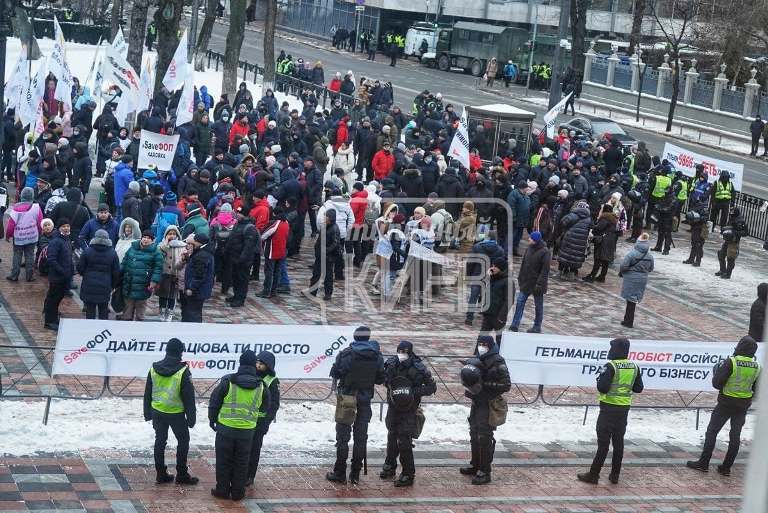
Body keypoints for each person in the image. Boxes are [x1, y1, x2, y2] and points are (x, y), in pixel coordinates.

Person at [687, 336, 760, 476]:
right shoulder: (757, 366)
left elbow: (717, 383)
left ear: (740, 346)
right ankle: (726, 467)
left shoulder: (731, 362)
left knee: (712, 432)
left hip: (725, 403)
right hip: (742, 406)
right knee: (735, 436)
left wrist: (717, 373)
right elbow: (758, 389)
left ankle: (704, 462)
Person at [577, 337, 644, 484]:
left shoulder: (611, 366)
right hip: (624, 410)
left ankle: (594, 474)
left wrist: (600, 380)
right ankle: (615, 475)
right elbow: (638, 388)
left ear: (615, 350)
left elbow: (603, 387)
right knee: (618, 442)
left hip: (608, 409)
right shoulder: (634, 366)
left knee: (603, 444)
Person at [326, 326, 385, 484]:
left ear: (354, 337)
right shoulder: (377, 355)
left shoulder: (347, 353)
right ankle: (355, 474)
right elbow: (380, 378)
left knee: (343, 438)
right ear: (368, 337)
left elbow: (337, 373)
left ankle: (339, 472)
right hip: (365, 399)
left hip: (347, 399)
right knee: (361, 438)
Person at [209, 350, 270, 501]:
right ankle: (238, 492)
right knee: (242, 462)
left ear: (240, 363)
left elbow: (214, 402)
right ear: (253, 365)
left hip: (225, 429)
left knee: (223, 460)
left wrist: (212, 419)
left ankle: (222, 490)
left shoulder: (228, 381)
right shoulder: (261, 386)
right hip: (247, 432)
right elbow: (265, 408)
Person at [379, 340, 436, 487]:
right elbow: (384, 380)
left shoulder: (419, 368)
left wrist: (412, 392)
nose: (401, 354)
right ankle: (390, 466)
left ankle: (408, 474)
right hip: (393, 407)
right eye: (399, 351)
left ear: (410, 353)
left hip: (409, 410)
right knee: (392, 437)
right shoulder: (391, 363)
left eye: (404, 352)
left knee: (404, 442)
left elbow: (431, 387)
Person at [143, 338, 199, 485]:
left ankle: (160, 474)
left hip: (158, 411)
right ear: (180, 353)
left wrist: (147, 413)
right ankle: (182, 474)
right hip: (176, 413)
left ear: (167, 351)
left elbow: (147, 392)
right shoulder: (183, 371)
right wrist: (191, 418)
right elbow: (189, 398)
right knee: (183, 441)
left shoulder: (154, 368)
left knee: (160, 441)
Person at [459, 335, 511, 485]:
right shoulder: (477, 358)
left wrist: (484, 384)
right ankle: (475, 464)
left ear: (490, 346)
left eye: (484, 344)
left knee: (484, 436)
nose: (481, 347)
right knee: (474, 433)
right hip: (477, 401)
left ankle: (485, 470)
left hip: (489, 403)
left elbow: (506, 385)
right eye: (479, 344)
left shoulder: (498, 361)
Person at [246, 350, 280, 485]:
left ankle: (250, 476)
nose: (258, 365)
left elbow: (274, 404)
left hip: (260, 423)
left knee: (254, 450)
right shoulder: (251, 374)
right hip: (247, 420)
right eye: (257, 362)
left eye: (262, 363)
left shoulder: (271, 381)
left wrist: (265, 423)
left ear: (269, 366)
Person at [509, 231, 550, 333]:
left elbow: (545, 271)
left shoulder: (545, 252)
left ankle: (537, 326)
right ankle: (515, 324)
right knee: (519, 303)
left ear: (535, 240)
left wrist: (539, 284)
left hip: (537, 284)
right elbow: (524, 264)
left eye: (530, 238)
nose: (528, 239)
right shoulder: (529, 248)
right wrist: (520, 277)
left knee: (538, 306)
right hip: (526, 282)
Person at [120, 230, 163, 321]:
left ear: (152, 240)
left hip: (144, 285)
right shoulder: (132, 247)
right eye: (144, 237)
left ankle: (139, 329)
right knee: (127, 309)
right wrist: (118, 274)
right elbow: (124, 261)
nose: (146, 239)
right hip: (129, 283)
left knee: (140, 310)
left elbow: (158, 268)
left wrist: (154, 281)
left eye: (148, 238)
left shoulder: (156, 252)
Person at [78, 229, 120, 319]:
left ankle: (90, 331)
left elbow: (80, 268)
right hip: (105, 285)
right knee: (104, 310)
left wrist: (86, 275)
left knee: (90, 310)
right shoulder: (112, 253)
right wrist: (113, 285)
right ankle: (102, 329)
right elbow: (116, 272)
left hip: (89, 284)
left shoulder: (87, 251)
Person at [6, 187, 43, 282]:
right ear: (32, 196)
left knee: (17, 255)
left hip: (19, 237)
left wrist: (8, 235)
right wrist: (38, 232)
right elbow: (40, 223)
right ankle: (29, 276)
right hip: (32, 236)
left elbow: (11, 224)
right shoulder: (36, 207)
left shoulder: (16, 208)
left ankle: (14, 275)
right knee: (30, 255)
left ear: (22, 196)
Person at [42, 218, 73, 331]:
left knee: (58, 298)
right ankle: (49, 321)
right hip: (57, 277)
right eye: (63, 226)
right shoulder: (56, 241)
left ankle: (54, 318)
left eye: (67, 226)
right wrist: (62, 271)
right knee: (53, 299)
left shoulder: (66, 240)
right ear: (59, 228)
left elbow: (68, 257)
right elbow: (51, 259)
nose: (66, 228)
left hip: (64, 276)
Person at [619, 233, 654, 329]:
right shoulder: (649, 256)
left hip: (631, 278)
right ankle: (628, 320)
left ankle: (628, 321)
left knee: (630, 300)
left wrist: (624, 272)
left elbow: (624, 266)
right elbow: (651, 268)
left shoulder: (632, 253)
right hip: (642, 279)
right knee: (633, 299)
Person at [181, 233, 214, 322]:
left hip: (197, 291)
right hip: (200, 290)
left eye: (194, 241)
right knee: (193, 311)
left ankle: (192, 332)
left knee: (193, 313)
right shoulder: (202, 252)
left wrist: (191, 288)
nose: (192, 243)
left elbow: (199, 275)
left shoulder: (202, 255)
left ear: (199, 242)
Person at [310, 209, 341, 300]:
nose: (324, 217)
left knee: (328, 275)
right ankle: (312, 291)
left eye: (325, 216)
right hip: (320, 255)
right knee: (316, 273)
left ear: (329, 217)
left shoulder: (334, 228)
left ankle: (328, 293)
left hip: (328, 256)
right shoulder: (324, 226)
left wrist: (326, 251)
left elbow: (335, 243)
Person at [716, 207, 748, 279]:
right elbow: (728, 227)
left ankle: (728, 274)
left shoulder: (740, 221)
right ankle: (722, 270)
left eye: (732, 214)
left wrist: (735, 232)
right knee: (721, 255)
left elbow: (745, 232)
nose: (731, 215)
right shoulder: (732, 218)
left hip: (734, 242)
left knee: (730, 258)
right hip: (727, 240)